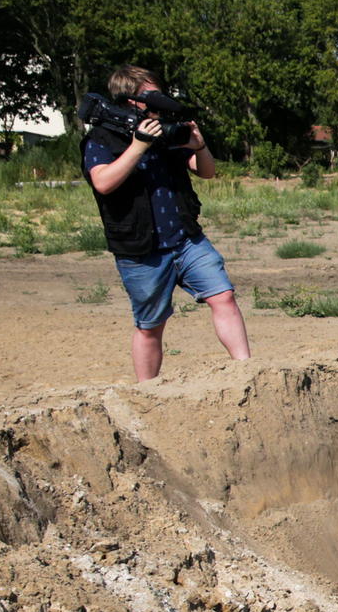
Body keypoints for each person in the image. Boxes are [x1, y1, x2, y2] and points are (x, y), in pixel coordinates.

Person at [83, 65, 250, 382]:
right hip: (141, 249)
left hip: (186, 239)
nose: (159, 102)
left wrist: (199, 146)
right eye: (151, 95)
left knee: (223, 296)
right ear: (130, 99)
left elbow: (207, 171)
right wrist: (138, 146)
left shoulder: (167, 132)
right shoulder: (101, 139)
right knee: (150, 325)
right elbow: (103, 182)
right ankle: (147, 393)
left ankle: (247, 371)